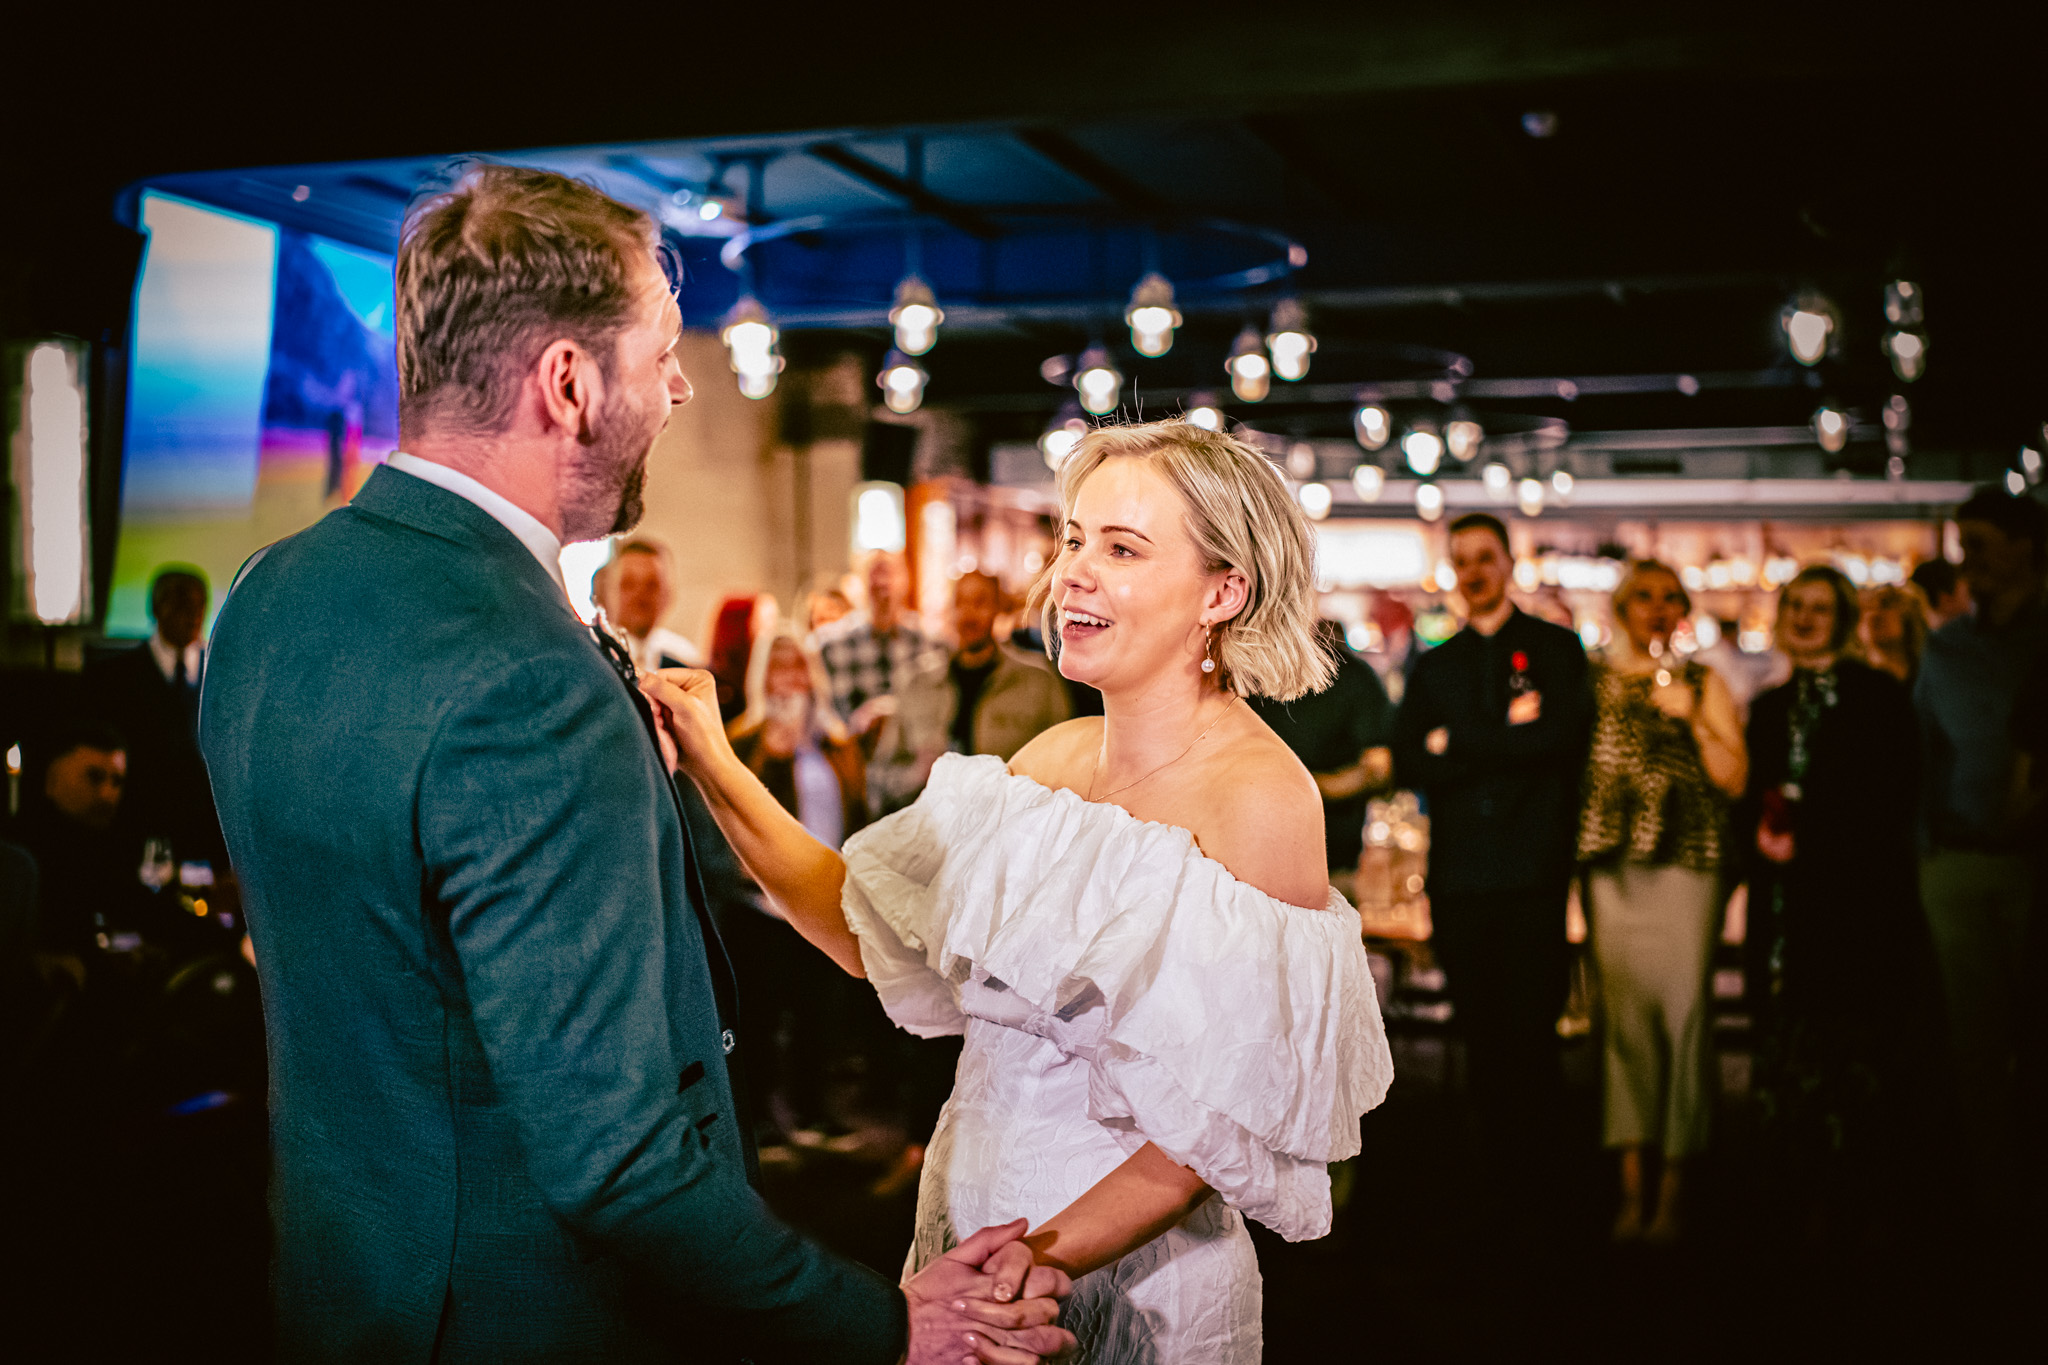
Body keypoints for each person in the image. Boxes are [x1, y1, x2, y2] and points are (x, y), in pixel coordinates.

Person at [199, 164, 1070, 1365]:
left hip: (342, 1282)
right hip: (519, 1315)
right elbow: (617, 1161)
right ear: (567, 383)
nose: (678, 387)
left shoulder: (267, 595)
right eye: (661, 353)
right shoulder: (532, 678)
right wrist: (882, 1323)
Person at [648, 419, 1394, 1364]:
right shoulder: (1049, 761)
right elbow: (867, 928)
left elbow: (1209, 1136)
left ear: (1223, 591)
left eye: (1122, 548)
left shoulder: (1264, 797)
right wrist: (713, 761)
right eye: (1074, 539)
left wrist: (1021, 1268)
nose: (1073, 572)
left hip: (1121, 1280)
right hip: (968, 1230)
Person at [1389, 512, 1591, 1205]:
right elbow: (1409, 758)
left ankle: (1542, 1188)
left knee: (1533, 1036)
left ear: (1509, 564)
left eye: (1486, 558)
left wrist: (1457, 743)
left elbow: (1560, 743)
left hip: (1534, 875)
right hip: (1460, 880)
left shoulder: (1556, 648)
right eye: (1463, 560)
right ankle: (1492, 1188)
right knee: (1479, 1034)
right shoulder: (1435, 663)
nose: (1474, 571)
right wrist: (1504, 740)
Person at [1742, 565, 1940, 1238]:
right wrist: (1761, 833)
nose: (1803, 618)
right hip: (1784, 911)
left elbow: (1891, 800)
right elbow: (1753, 800)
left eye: (1819, 608)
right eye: (1794, 605)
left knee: (1852, 1054)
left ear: (1844, 620)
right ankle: (1791, 1200)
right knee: (1787, 1048)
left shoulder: (1877, 697)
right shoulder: (1770, 705)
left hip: (1856, 909)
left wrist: (1812, 836)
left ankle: (1856, 1208)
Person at [1576, 561, 1747, 1244]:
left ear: (1683, 611)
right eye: (1642, 595)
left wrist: (1694, 717)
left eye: (1669, 597)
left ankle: (1672, 1192)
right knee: (1621, 1028)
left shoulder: (1703, 682)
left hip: (1685, 868)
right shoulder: (1591, 681)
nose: (1656, 607)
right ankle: (1629, 1188)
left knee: (1685, 1021)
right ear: (1620, 606)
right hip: (1612, 871)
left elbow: (1734, 778)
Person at [1914, 487, 2047, 1235]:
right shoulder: (1946, 647)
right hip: (1957, 857)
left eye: (1981, 546)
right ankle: (1993, 1202)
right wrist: (1924, 849)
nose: (1967, 562)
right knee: (1973, 1043)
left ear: (2026, 546)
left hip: (2035, 862)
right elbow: (1923, 750)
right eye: (1964, 547)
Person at [724, 628, 868, 1139]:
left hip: (826, 899)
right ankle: (761, 1121)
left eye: (796, 666)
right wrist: (775, 753)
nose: (787, 678)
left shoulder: (837, 743)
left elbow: (858, 810)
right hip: (763, 906)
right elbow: (738, 814)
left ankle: (814, 1111)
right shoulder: (741, 743)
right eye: (776, 667)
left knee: (818, 1014)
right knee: (761, 1015)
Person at [85, 566, 223, 865]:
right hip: (135, 833)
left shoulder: (224, 674)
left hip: (208, 837)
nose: (192, 615)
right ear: (157, 608)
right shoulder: (112, 677)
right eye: (180, 604)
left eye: (199, 605)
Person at [1248, 618, 1394, 887]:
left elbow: (1379, 769)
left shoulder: (1352, 676)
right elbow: (1379, 769)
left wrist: (1307, 789)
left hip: (1328, 857)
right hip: (1250, 853)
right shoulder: (1245, 672)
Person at [818, 552, 947, 799]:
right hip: (856, 778)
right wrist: (855, 723)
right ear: (861, 584)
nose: (882, 584)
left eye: (889, 574)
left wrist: (897, 711)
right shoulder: (832, 645)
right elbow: (820, 713)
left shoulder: (931, 644)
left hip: (918, 781)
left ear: (906, 581)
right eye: (874, 576)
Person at [595, 537, 702, 673]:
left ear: (669, 594)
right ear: (606, 593)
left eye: (652, 585)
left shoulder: (685, 659)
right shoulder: (594, 657)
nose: (639, 596)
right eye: (628, 584)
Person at [1858, 582, 1928, 684]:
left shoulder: (1931, 676)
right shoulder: (1851, 681)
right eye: (1867, 607)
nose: (1873, 614)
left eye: (1885, 605)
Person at [1911, 557, 1972, 631]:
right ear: (1946, 600)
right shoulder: (1960, 633)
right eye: (1966, 595)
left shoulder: (1922, 633)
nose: (1971, 601)